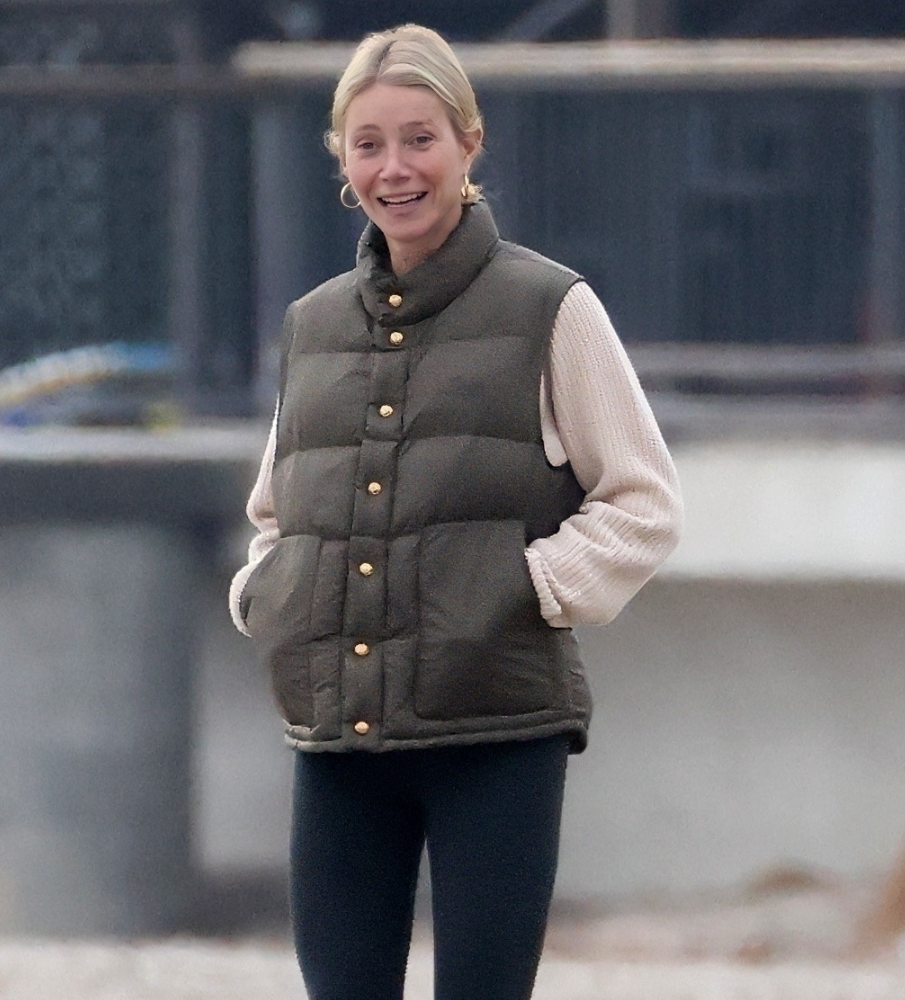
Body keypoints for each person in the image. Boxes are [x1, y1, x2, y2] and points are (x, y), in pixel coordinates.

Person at [230, 22, 683, 1000]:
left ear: (468, 141)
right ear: (343, 163)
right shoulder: (310, 327)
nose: (395, 167)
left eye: (419, 137)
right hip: (337, 741)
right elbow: (279, 509)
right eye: (368, 143)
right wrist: (267, 594)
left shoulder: (550, 307)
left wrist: (523, 585)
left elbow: (642, 501)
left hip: (497, 736)